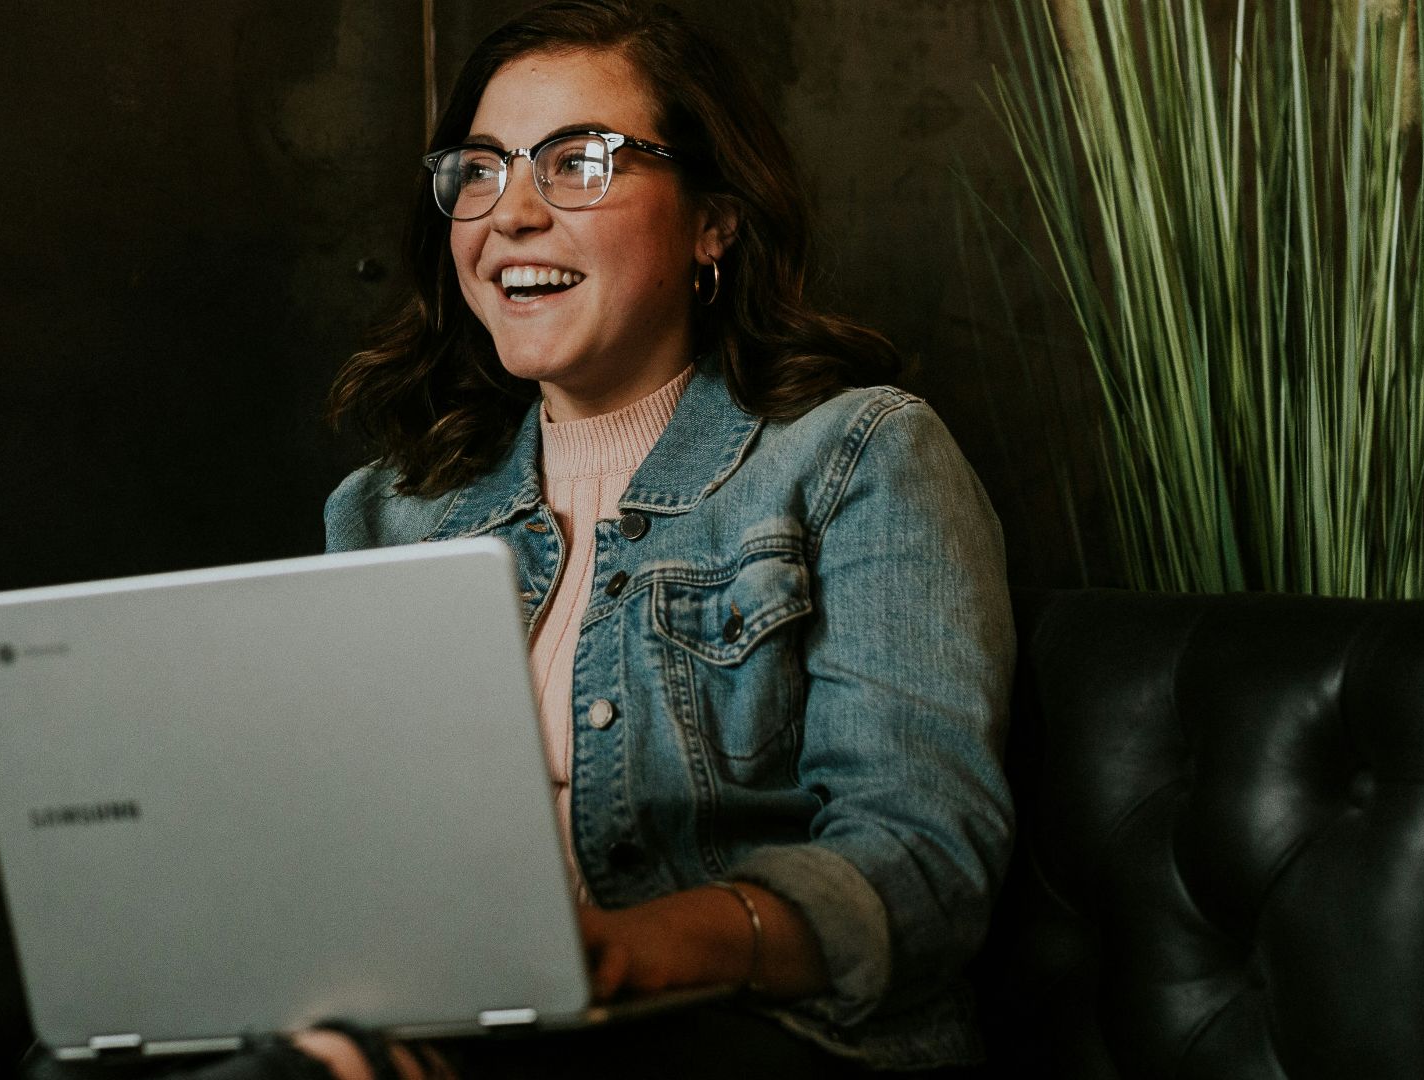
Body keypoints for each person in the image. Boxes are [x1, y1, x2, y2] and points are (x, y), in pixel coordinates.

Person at [304, 2, 1013, 1076]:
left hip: (757, 1042)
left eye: (579, 162)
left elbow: (920, 862)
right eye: (481, 168)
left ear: (713, 222)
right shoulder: (383, 513)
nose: (513, 214)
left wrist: (627, 955)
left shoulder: (858, 456)